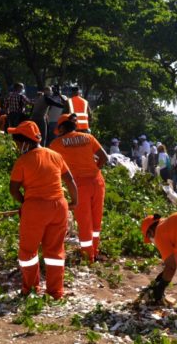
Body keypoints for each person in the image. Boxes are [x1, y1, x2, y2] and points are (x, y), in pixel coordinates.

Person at [8, 121, 78, 299]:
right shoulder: (55, 155)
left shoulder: (23, 161)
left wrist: (25, 203)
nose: (16, 146)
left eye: (17, 142)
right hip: (59, 206)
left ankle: (31, 289)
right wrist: (74, 201)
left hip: (36, 208)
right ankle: (55, 292)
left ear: (25, 141)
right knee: (55, 251)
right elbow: (69, 180)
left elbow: (13, 189)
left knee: (28, 252)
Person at [49, 114, 109, 263]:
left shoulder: (56, 144)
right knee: (96, 221)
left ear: (62, 127)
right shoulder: (88, 137)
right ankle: (95, 251)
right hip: (97, 181)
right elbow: (104, 158)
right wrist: (94, 169)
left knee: (84, 223)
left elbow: (52, 167)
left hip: (79, 186)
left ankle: (88, 257)